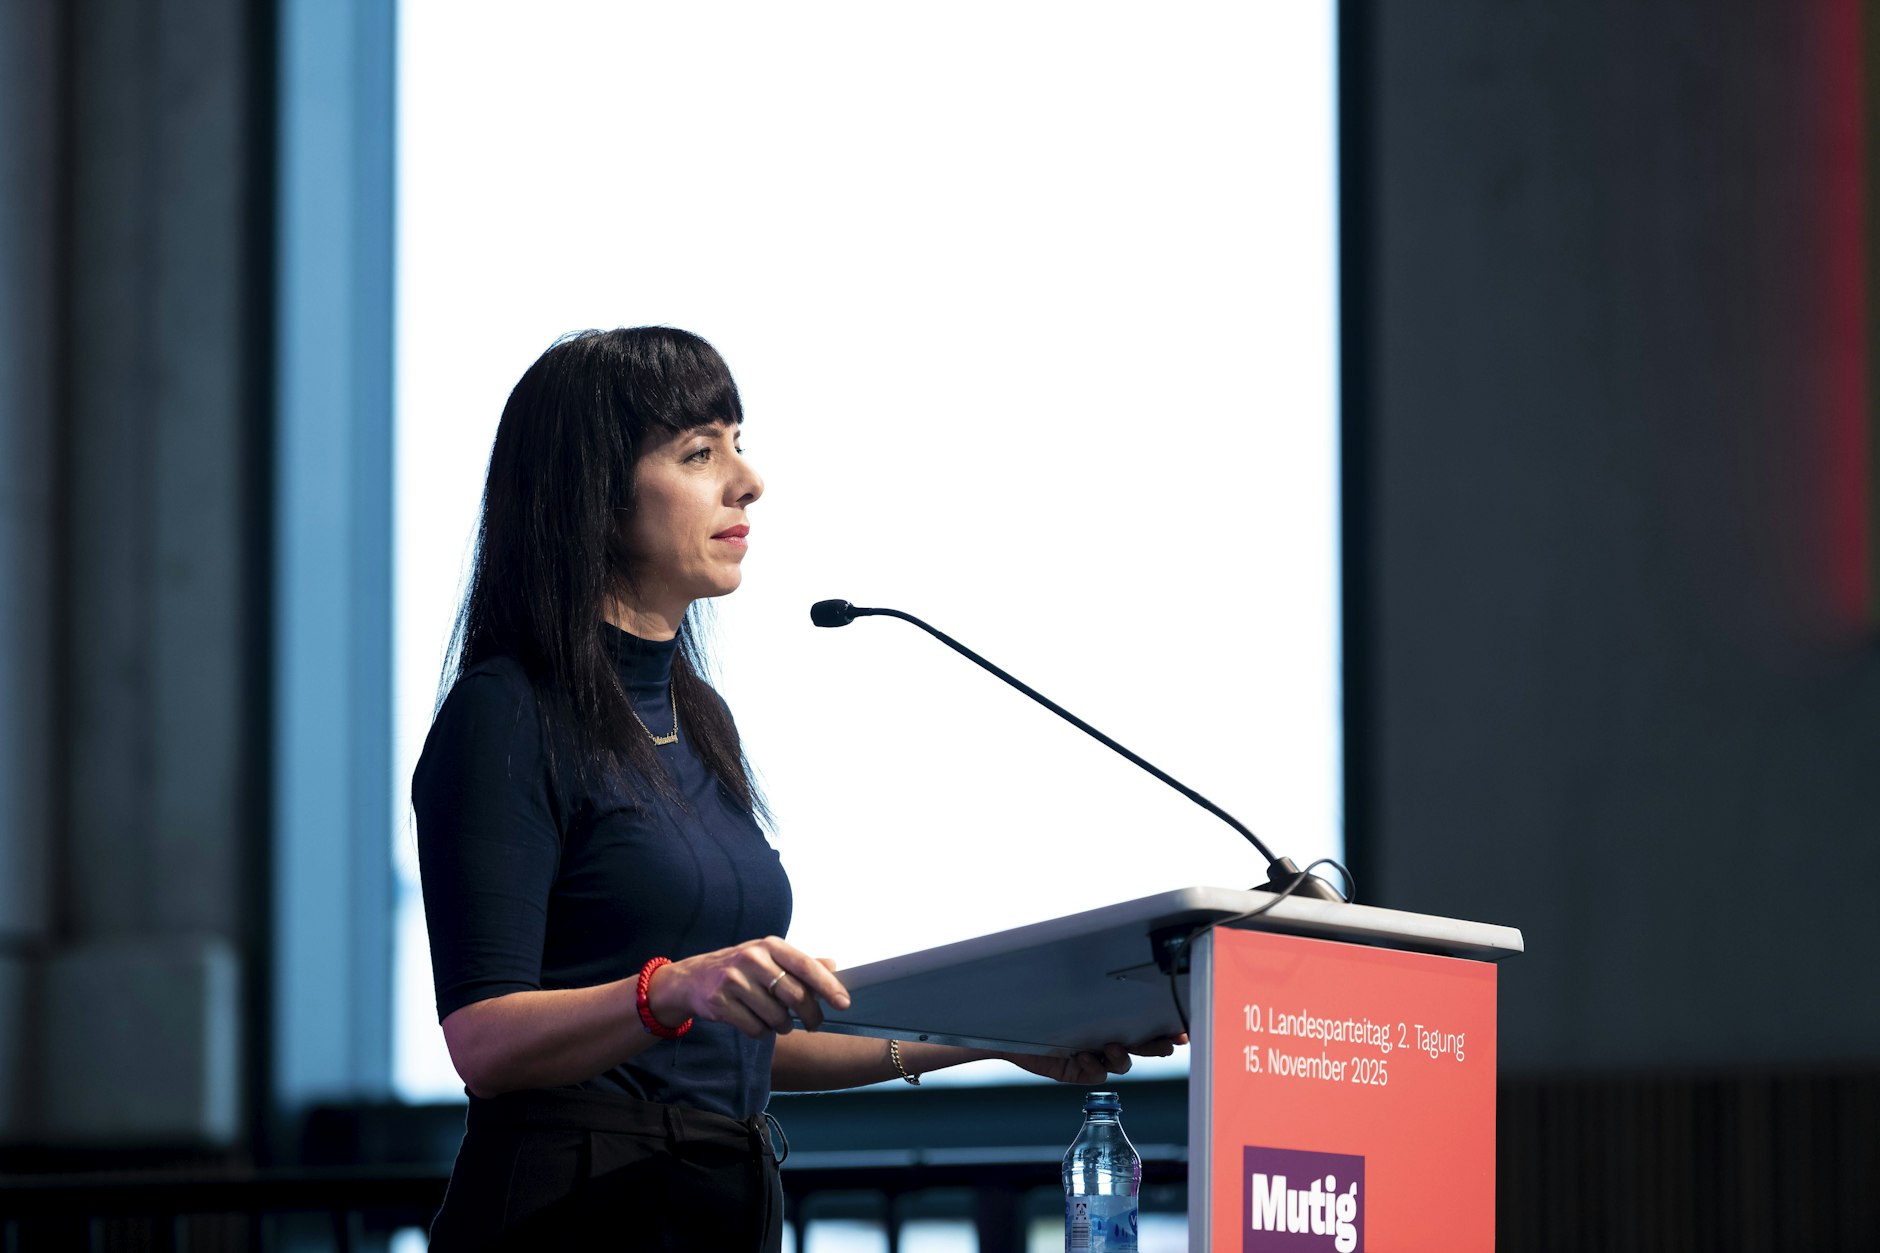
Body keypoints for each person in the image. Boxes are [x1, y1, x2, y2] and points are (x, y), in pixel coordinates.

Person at [414, 327, 1180, 1251]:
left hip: (719, 1208)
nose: (748, 480)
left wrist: (994, 1038)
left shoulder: (699, 720)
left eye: (737, 441)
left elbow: (741, 1040)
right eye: (700, 452)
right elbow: (484, 1042)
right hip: (570, 1214)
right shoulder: (505, 712)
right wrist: (675, 987)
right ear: (596, 497)